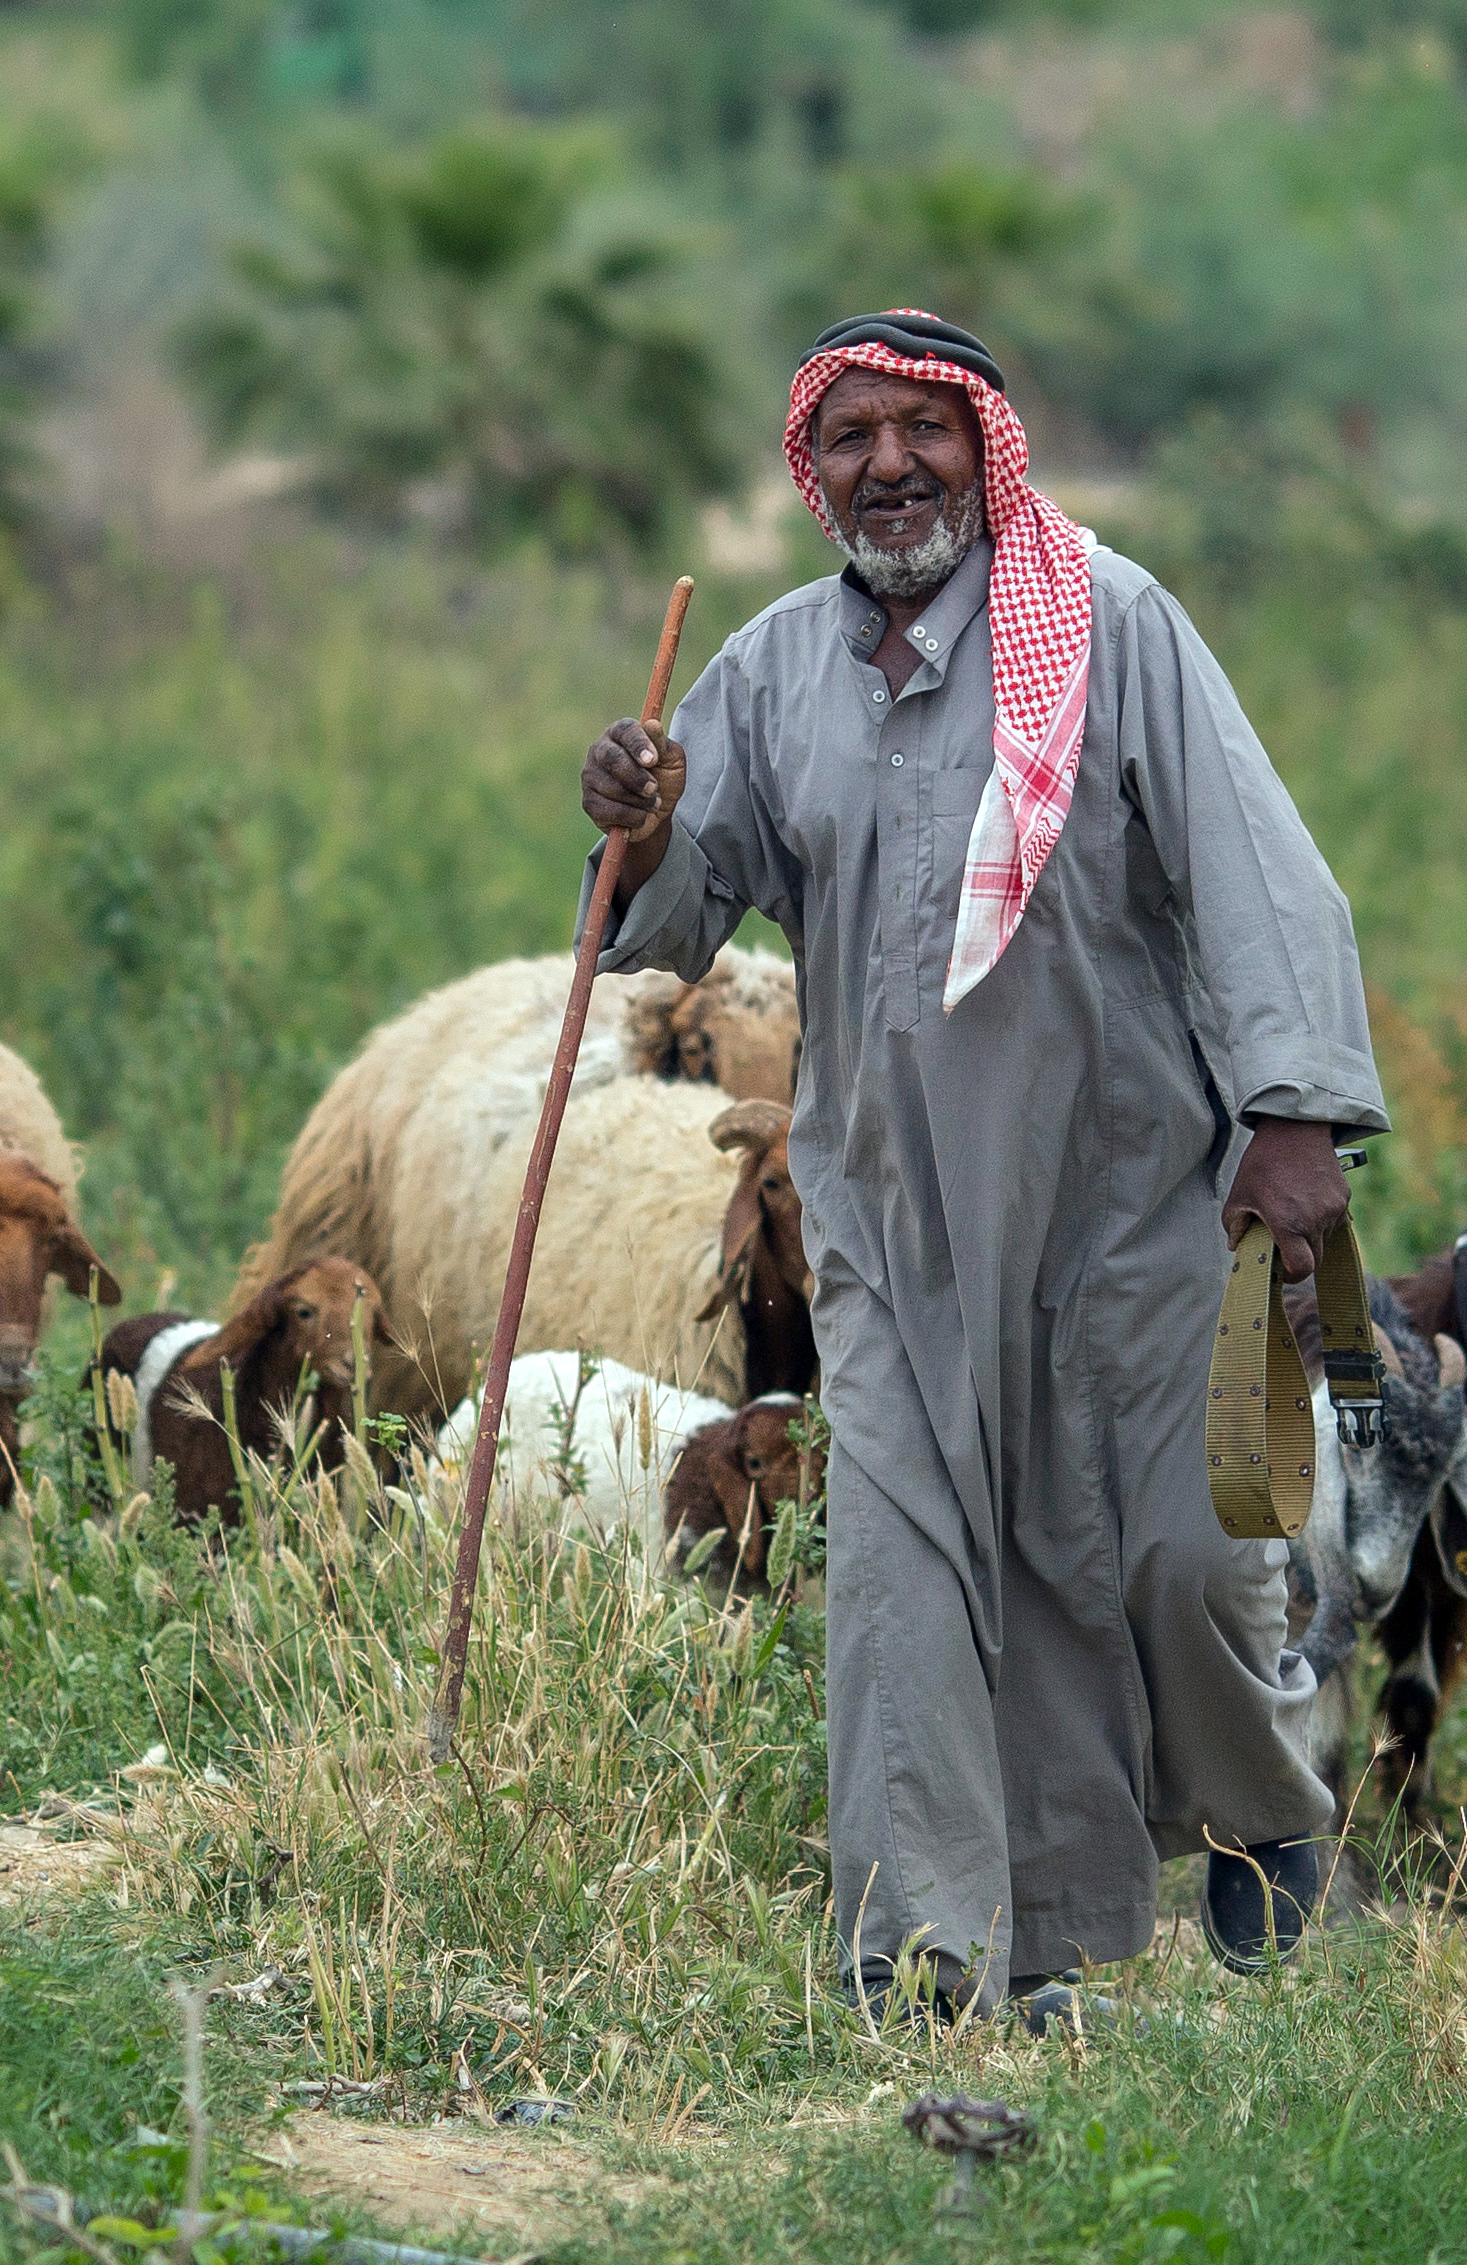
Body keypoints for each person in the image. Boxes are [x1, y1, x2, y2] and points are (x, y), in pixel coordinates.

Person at [578, 311, 1389, 2022]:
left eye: (922, 431)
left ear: (985, 446)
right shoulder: (773, 668)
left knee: (1180, 1557)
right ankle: (931, 1957)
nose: (889, 465)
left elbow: (1256, 872)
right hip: (892, 1219)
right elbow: (666, 917)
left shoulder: (1111, 628)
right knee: (905, 1591)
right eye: (851, 436)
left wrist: (1295, 1117)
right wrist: (637, 820)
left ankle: (1262, 1831)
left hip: (1130, 1209)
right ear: (812, 467)